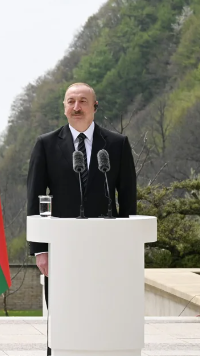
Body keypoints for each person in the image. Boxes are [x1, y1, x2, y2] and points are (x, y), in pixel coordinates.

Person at [26, 82, 137, 355]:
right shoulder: (46, 144)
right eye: (71, 101)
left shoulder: (117, 144)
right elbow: (34, 197)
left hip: (106, 249)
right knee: (61, 317)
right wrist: (40, 249)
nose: (76, 107)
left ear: (95, 107)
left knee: (104, 314)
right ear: (64, 107)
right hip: (61, 250)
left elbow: (128, 198)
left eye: (83, 101)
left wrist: (128, 245)